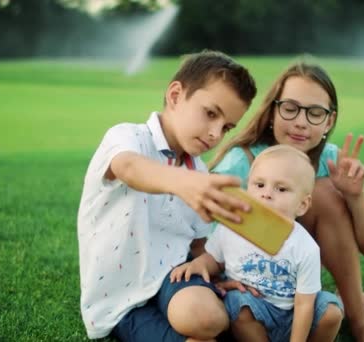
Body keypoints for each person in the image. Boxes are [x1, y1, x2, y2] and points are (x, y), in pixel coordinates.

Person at [209, 61, 364, 342]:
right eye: (290, 108)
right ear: (272, 112)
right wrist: (220, 279)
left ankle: (360, 320)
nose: (301, 122)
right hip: (249, 284)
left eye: (315, 113)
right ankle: (356, 300)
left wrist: (355, 196)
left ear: (329, 121)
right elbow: (203, 240)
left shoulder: (330, 160)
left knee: (326, 194)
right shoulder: (241, 163)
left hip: (295, 281)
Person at [77, 50, 257, 341]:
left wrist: (224, 275)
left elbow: (198, 246)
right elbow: (129, 167)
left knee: (206, 317)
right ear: (175, 95)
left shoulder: (199, 173)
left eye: (226, 127)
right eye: (210, 114)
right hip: (122, 299)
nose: (215, 134)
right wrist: (183, 182)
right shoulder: (128, 137)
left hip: (174, 276)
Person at [171, 145, 344, 342]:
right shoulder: (232, 228)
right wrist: (199, 264)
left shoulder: (305, 246)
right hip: (254, 313)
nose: (267, 193)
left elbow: (305, 303)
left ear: (302, 205)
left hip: (293, 313)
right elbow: (215, 260)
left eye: (281, 188)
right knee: (239, 303)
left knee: (331, 311)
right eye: (259, 185)